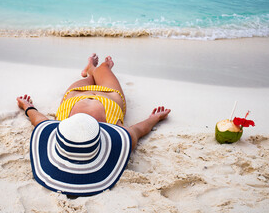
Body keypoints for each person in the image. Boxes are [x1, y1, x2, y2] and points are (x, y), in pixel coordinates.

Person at [17, 54, 171, 196]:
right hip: (109, 95)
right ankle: (96, 69)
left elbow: (38, 120)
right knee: (104, 68)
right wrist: (155, 118)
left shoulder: (63, 130)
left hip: (75, 94)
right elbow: (138, 130)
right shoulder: (120, 138)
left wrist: (27, 107)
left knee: (93, 76)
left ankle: (91, 69)